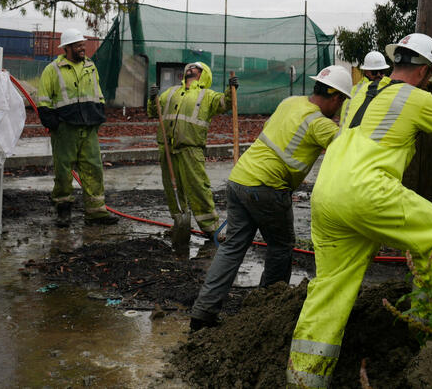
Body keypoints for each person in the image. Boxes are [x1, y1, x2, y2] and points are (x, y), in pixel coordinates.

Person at [287, 34, 432, 387]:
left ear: (396, 62)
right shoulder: (418, 98)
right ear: (426, 72)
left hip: (326, 193)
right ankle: (431, 337)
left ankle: (303, 379)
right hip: (365, 191)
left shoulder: (359, 92)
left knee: (330, 288)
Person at [189, 66, 354, 332]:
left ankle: (202, 314)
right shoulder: (319, 123)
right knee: (280, 247)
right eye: (342, 101)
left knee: (232, 248)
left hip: (240, 178)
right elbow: (351, 148)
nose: (340, 107)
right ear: (335, 98)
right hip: (267, 187)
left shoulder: (290, 102)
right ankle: (267, 311)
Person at [37, 28, 117, 227]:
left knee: (94, 169)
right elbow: (44, 100)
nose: (83, 48)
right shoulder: (53, 70)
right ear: (67, 48)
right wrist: (54, 124)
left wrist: (98, 115)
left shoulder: (90, 66)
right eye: (79, 45)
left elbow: (97, 93)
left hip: (89, 127)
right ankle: (63, 210)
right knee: (63, 172)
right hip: (65, 129)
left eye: (83, 45)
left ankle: (96, 212)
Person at [147, 62, 238, 237]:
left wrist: (231, 89)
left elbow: (225, 103)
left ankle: (211, 228)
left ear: (204, 74)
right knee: (172, 188)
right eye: (188, 67)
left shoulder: (207, 95)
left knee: (198, 188)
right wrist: (152, 98)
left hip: (191, 148)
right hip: (167, 148)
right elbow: (153, 111)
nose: (190, 69)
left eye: (195, 68)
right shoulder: (171, 92)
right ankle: (180, 222)